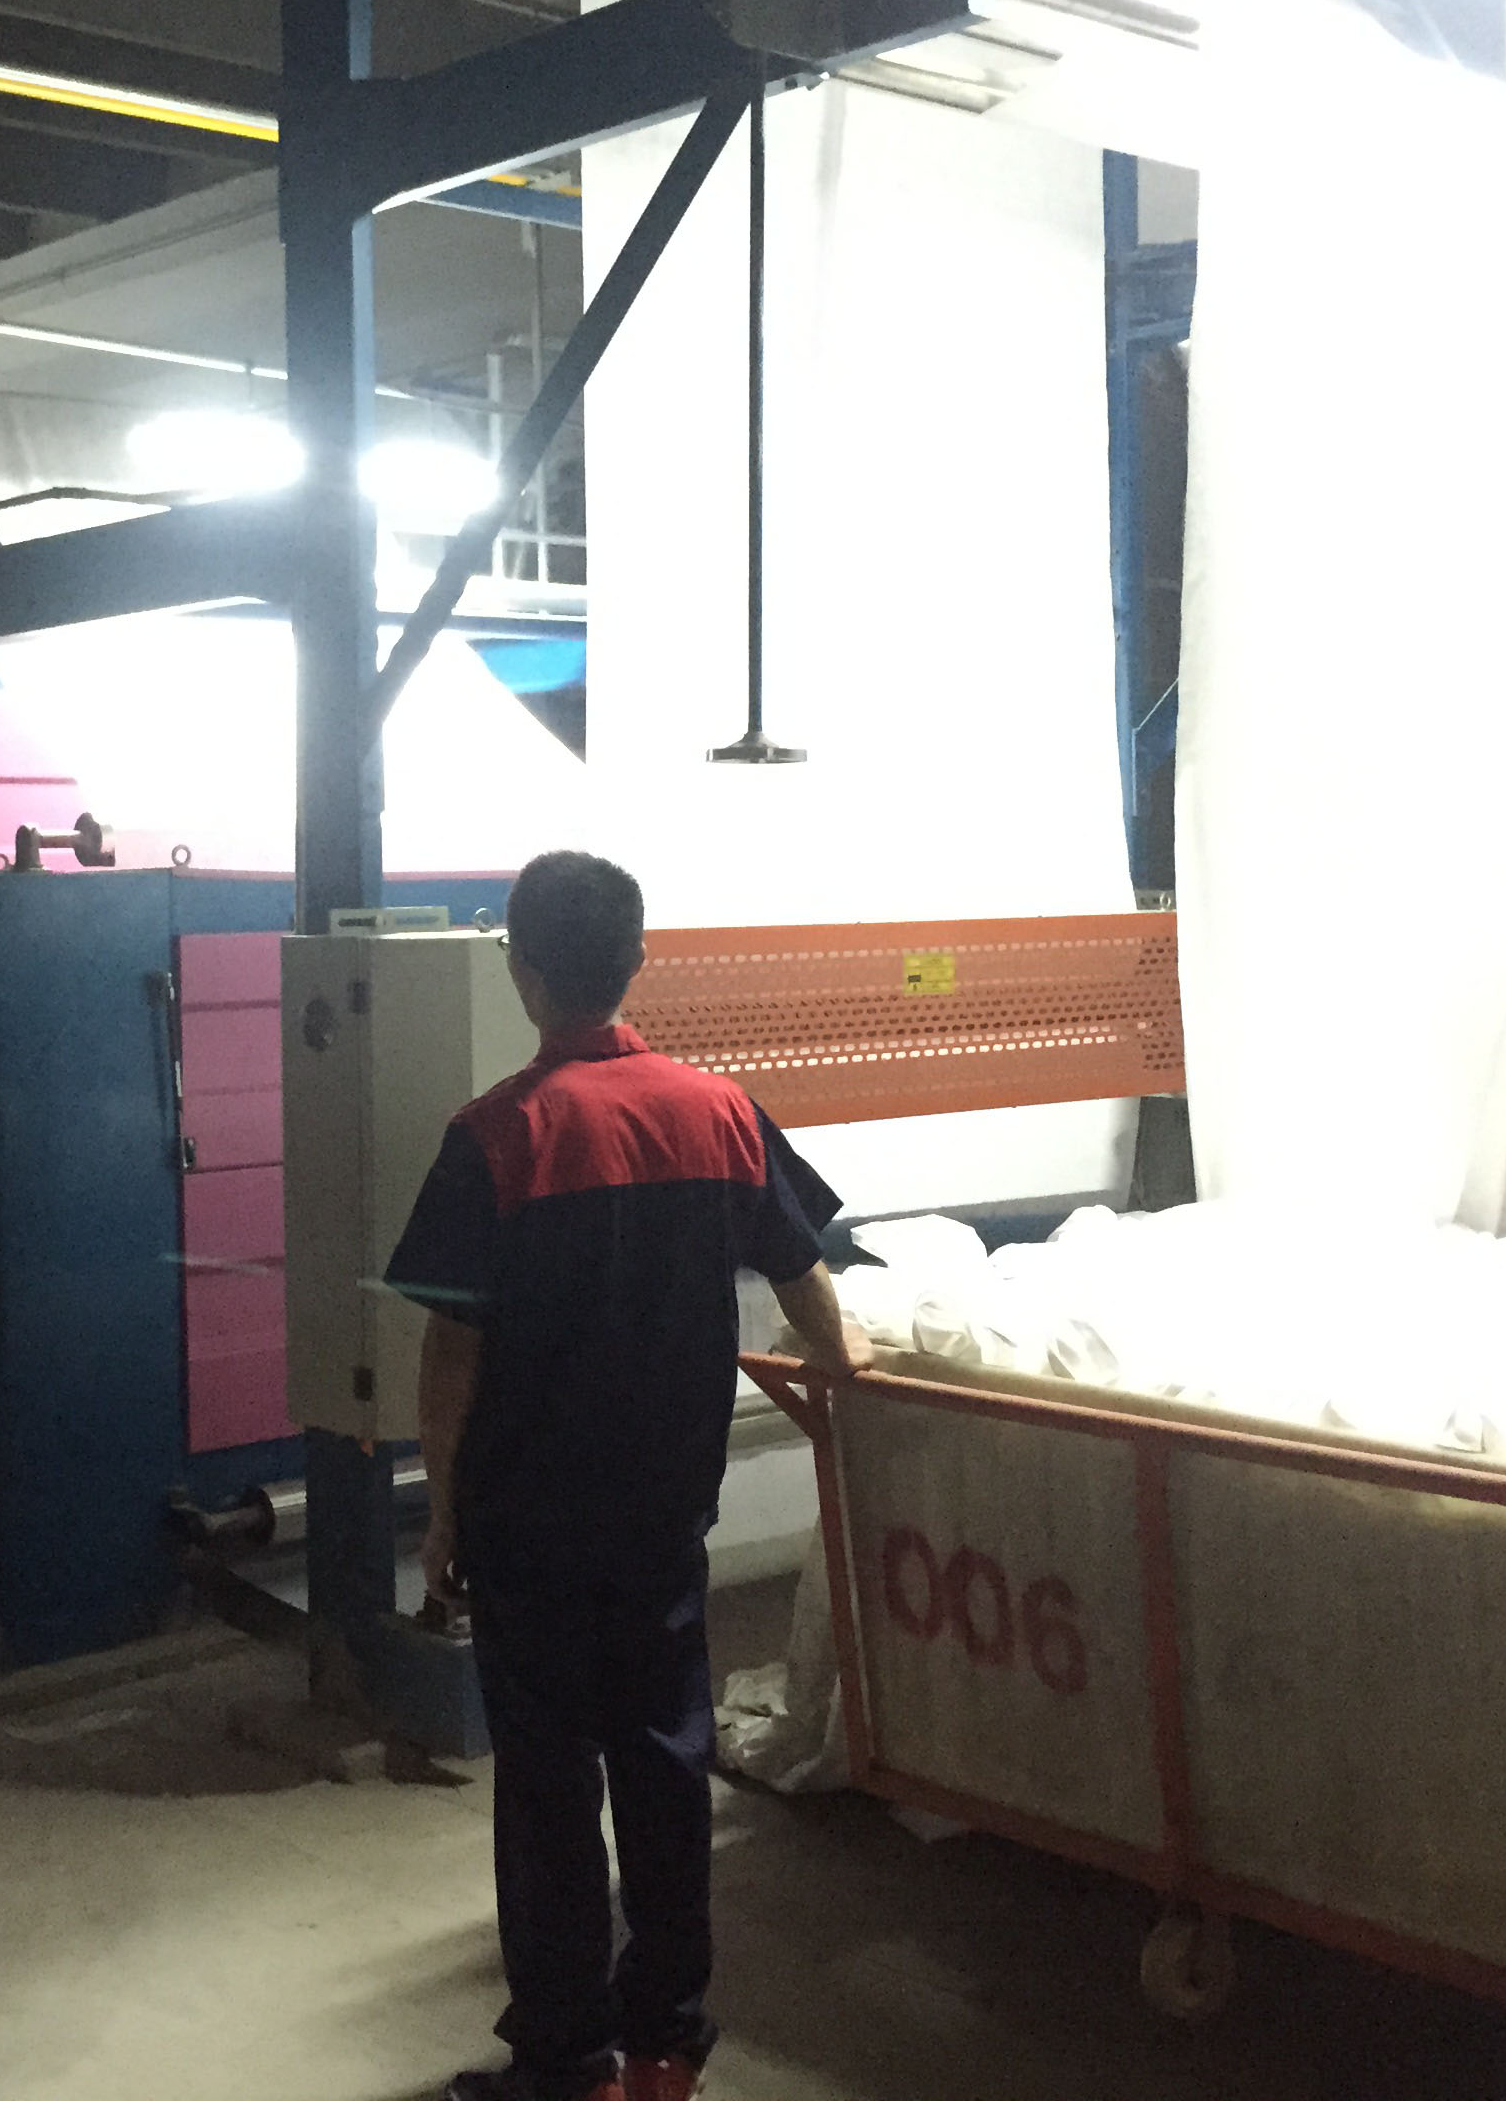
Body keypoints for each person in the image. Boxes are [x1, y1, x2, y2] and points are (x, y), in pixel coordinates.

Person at [386, 850, 872, 2101]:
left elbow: (452, 1349)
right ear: (637, 962)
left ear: (522, 971)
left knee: (549, 1788)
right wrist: (851, 1369)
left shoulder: (496, 1136)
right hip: (664, 1518)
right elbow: (803, 1270)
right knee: (665, 1767)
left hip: (529, 1528)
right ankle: (666, 2049)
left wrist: (442, 1514)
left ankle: (568, 2061)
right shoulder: (721, 1112)